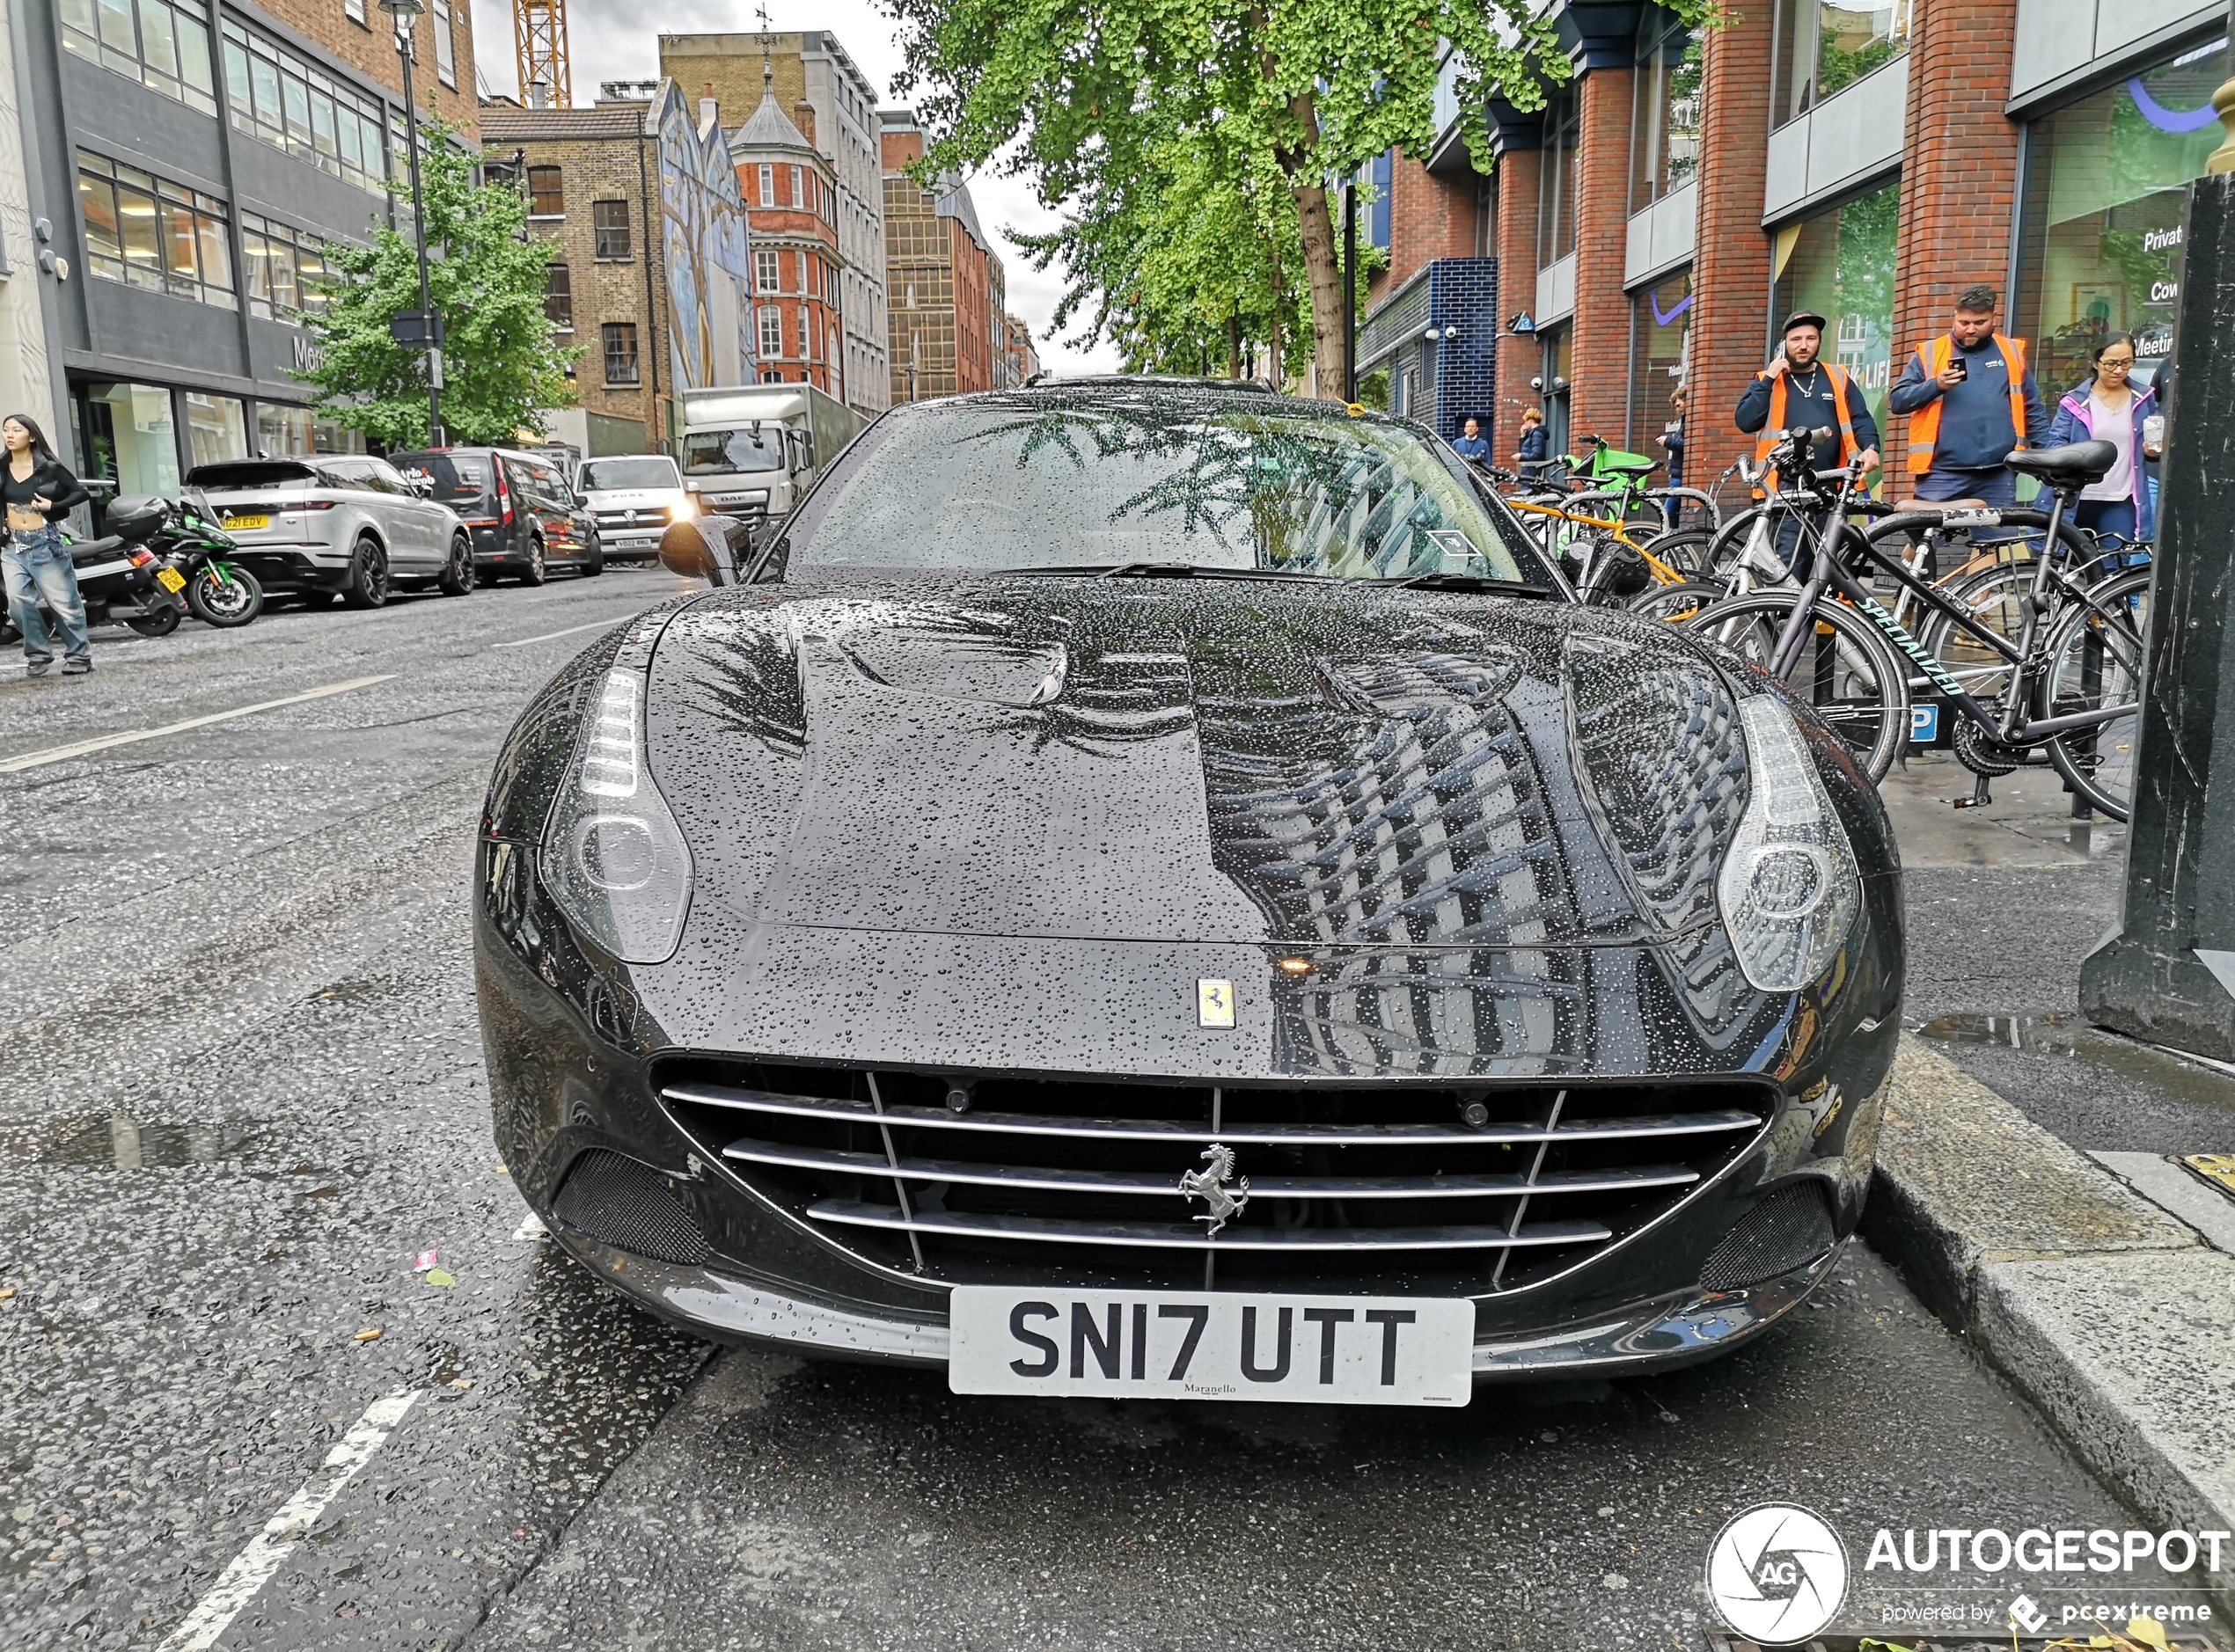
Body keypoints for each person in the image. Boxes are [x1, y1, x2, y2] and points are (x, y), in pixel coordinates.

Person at [1734, 311, 1881, 574]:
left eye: (1811, 338)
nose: (1803, 345)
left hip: (1831, 488)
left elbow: (1860, 417)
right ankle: (1786, 615)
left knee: (1827, 566)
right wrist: (1768, 379)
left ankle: (1821, 615)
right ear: (1785, 344)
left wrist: (1870, 447)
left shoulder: (1838, 377)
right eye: (1796, 339)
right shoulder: (1768, 379)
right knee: (1789, 566)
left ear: (1819, 342)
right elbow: (1746, 422)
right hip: (1784, 491)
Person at [1889, 283, 2046, 508]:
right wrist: (1936, 385)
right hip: (1941, 472)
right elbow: (1898, 401)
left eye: (1979, 323)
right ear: (1954, 317)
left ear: (1994, 318)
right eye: (1964, 323)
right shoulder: (1931, 352)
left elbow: (2032, 407)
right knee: (1924, 538)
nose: (1970, 329)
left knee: (1996, 540)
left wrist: (2047, 456)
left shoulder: (2010, 352)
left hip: (1998, 473)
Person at [2043, 333, 2159, 555]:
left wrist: (2154, 452)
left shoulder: (2144, 398)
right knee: (2068, 564)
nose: (2118, 370)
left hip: (2121, 498)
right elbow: (2056, 444)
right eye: (2111, 364)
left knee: (2116, 566)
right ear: (2095, 363)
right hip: (2077, 497)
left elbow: (2154, 440)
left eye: (2126, 363)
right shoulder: (2074, 402)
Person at [3, 413, 93, 677]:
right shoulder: (0, 467)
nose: (9, 435)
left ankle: (79, 656)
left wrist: (54, 506)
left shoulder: (48, 467)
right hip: (12, 545)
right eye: (6, 430)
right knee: (16, 602)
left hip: (44, 542)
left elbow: (80, 492)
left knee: (63, 602)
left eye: (16, 430)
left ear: (31, 436)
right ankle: (39, 653)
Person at [1515, 407, 1550, 479]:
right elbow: (1524, 450)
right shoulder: (1532, 434)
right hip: (1528, 472)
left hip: (1531, 473)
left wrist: (1521, 456)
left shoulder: (1536, 435)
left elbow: (1536, 455)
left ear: (1531, 420)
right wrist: (1523, 436)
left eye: (1526, 421)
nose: (1525, 423)